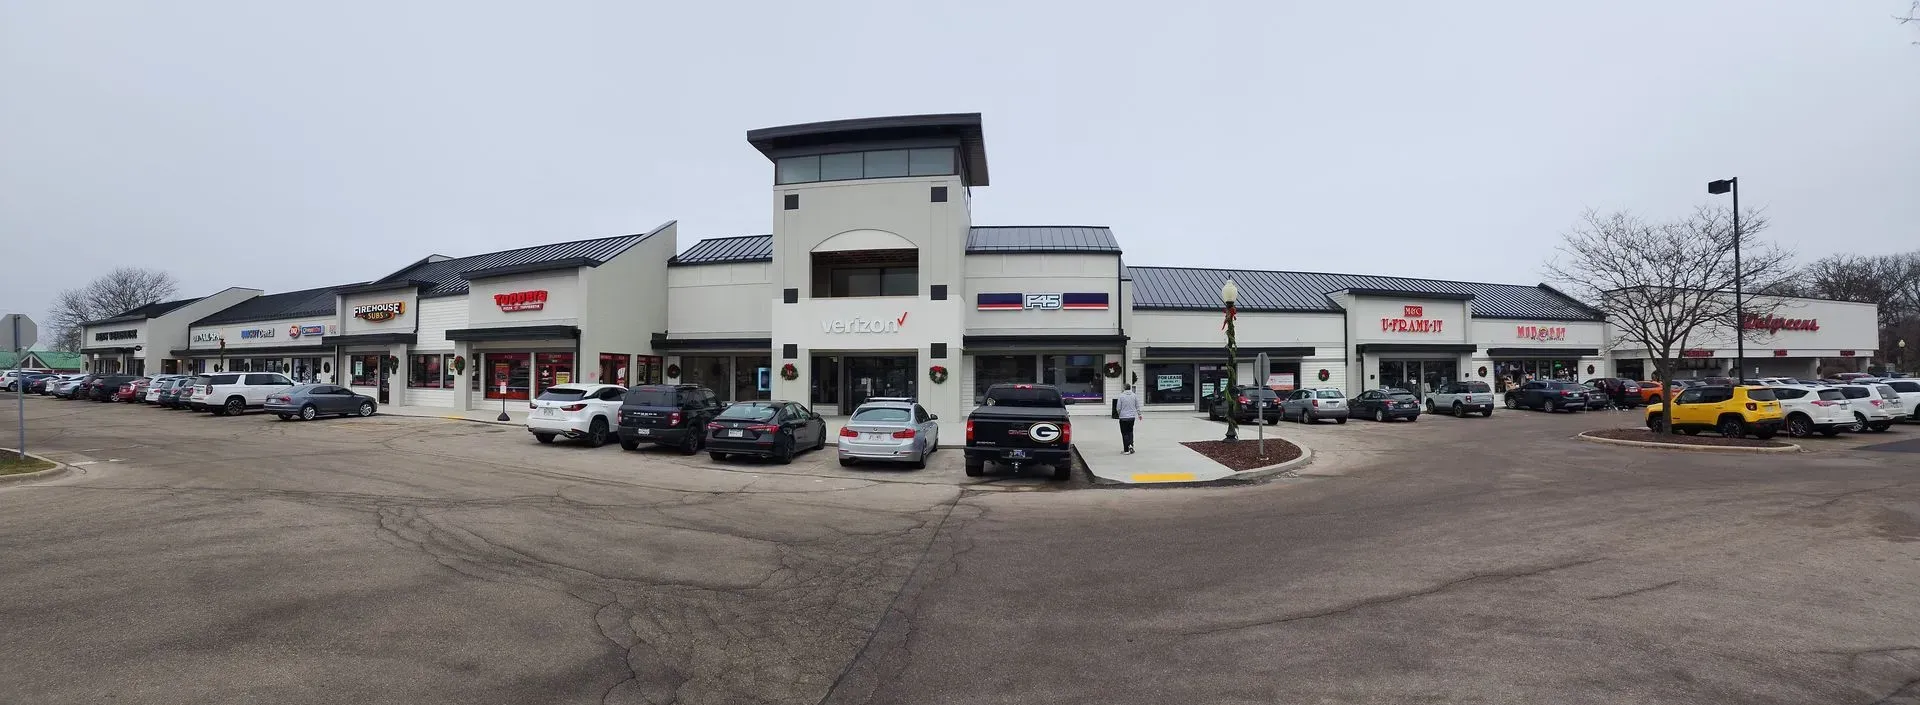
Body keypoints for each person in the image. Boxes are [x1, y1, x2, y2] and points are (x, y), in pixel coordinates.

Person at [1115, 385, 1142, 455]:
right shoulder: (1134, 395)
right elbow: (1137, 406)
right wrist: (1139, 414)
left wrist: (1119, 414)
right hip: (1131, 417)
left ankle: (1126, 449)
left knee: (1124, 433)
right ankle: (1131, 445)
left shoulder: (1121, 396)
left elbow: (1118, 407)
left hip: (1123, 417)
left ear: (1124, 388)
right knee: (1130, 432)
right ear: (1130, 388)